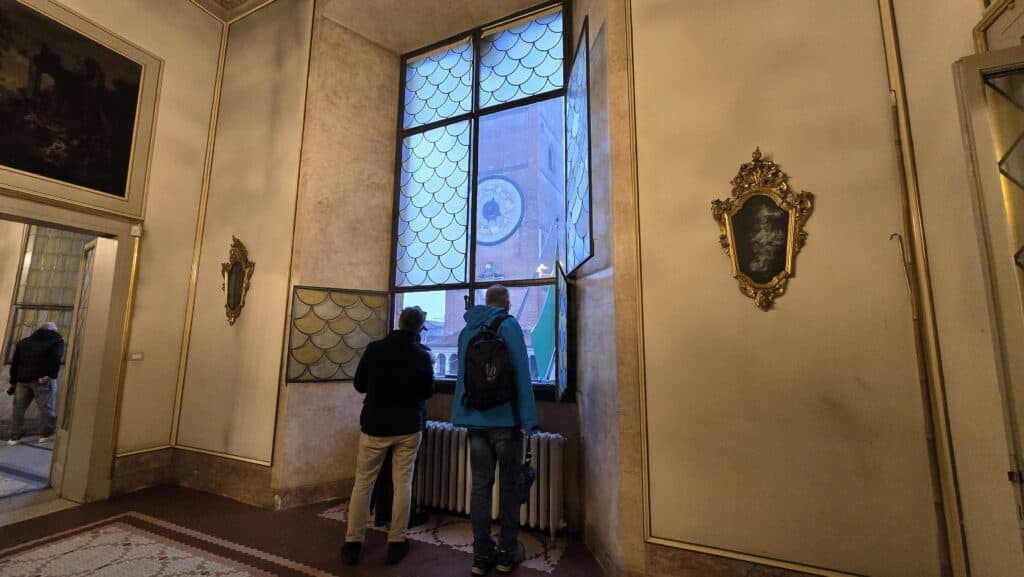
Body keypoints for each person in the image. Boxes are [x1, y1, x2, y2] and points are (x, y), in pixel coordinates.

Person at [452, 284, 538, 575]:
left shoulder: (467, 330)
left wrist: (461, 415)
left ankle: (480, 556)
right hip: (505, 421)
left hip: (475, 422)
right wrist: (528, 420)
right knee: (510, 486)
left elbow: (462, 379)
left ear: (485, 302)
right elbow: (522, 375)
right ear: (507, 303)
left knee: (480, 487)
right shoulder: (509, 325)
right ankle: (505, 553)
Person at [341, 306, 434, 566]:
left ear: (399, 322)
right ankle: (396, 542)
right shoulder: (421, 355)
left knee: (363, 483)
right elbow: (427, 392)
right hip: (407, 426)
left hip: (375, 425)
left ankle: (353, 543)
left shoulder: (374, 349)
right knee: (403, 482)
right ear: (419, 328)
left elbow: (359, 384)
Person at [7, 322, 64, 445]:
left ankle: (14, 436)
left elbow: (15, 363)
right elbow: (56, 358)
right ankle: (45, 434)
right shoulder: (56, 341)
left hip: (22, 379)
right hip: (43, 379)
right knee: (46, 408)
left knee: (18, 408)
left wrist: (13, 381)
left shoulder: (23, 342)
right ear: (52, 330)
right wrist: (50, 375)